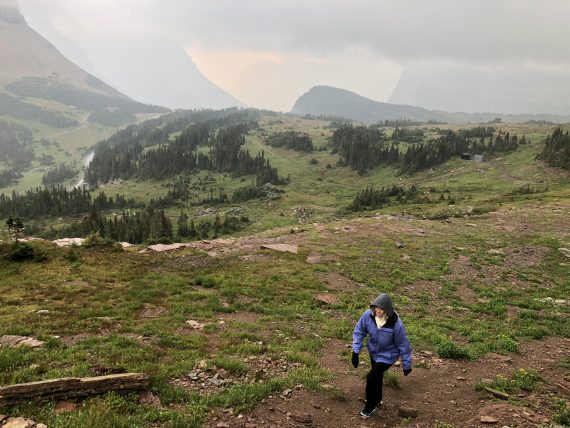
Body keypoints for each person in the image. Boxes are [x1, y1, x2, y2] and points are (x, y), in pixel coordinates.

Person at [352, 293, 412, 418]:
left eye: (382, 309)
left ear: (387, 310)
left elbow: (403, 345)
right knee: (377, 375)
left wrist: (406, 365)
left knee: (371, 377)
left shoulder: (395, 324)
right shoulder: (368, 315)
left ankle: (370, 406)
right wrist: (355, 352)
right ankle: (377, 399)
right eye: (376, 308)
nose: (378, 311)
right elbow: (359, 331)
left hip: (389, 355)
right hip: (374, 352)